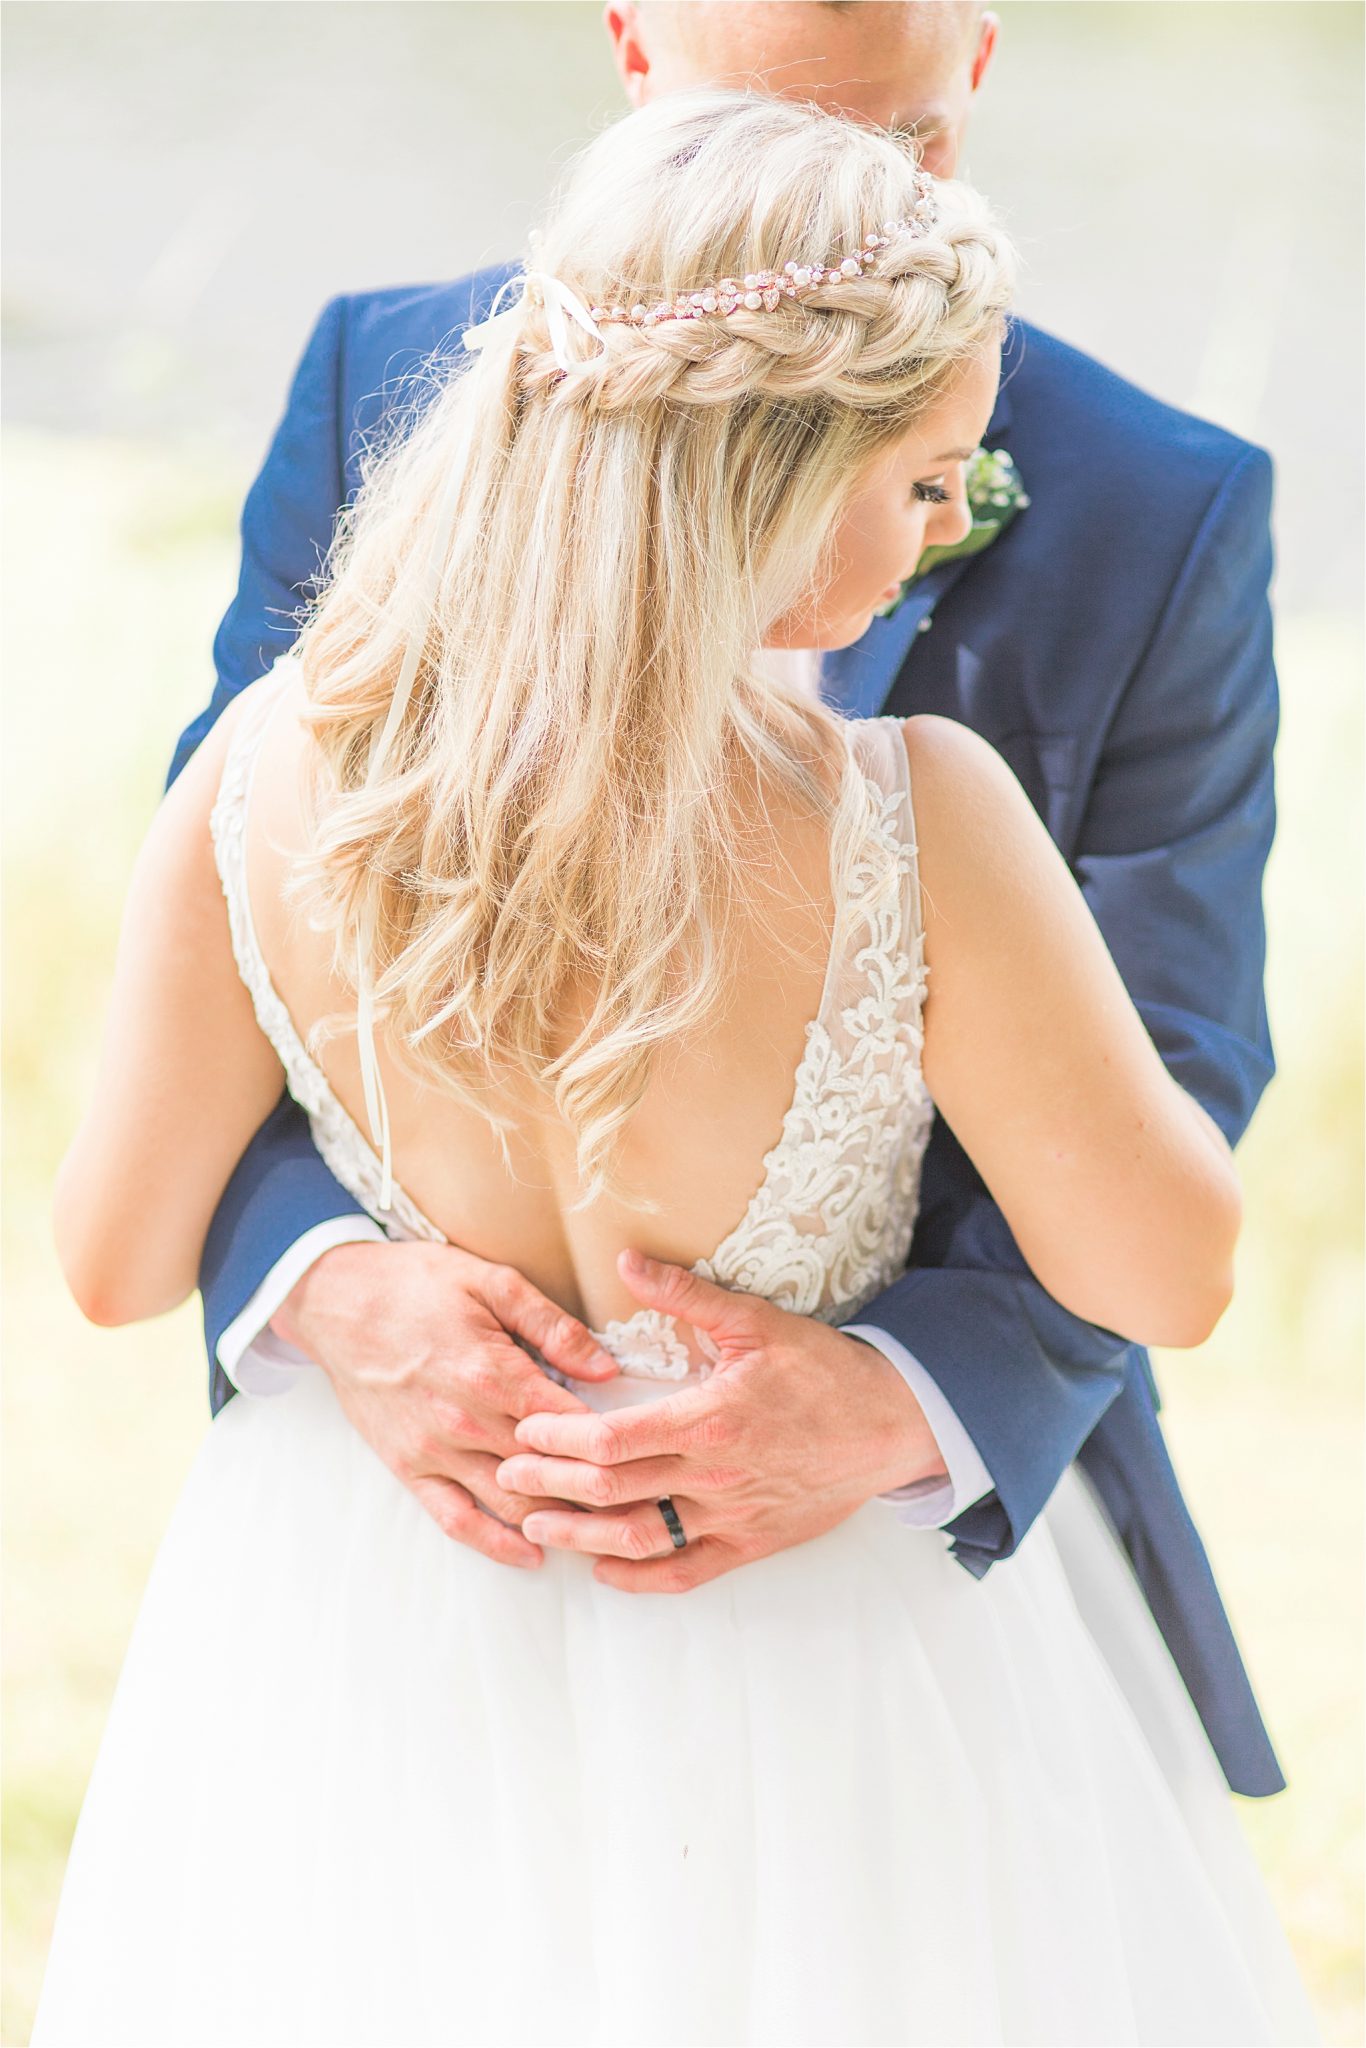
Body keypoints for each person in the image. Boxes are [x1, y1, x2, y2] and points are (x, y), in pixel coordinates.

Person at [36, 90, 1314, 2047]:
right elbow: (1170, 1270)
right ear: (781, 476)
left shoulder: (265, 773)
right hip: (811, 1670)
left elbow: (116, 1255)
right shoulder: (906, 816)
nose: (934, 538)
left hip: (364, 1626)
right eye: (925, 484)